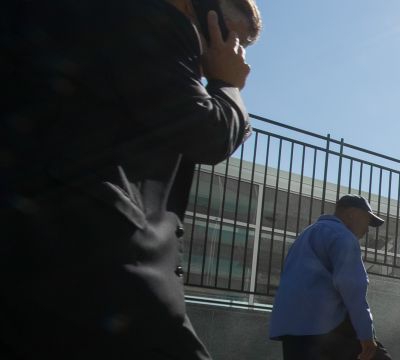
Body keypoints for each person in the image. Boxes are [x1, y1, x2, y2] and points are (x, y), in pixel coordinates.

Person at [2, 0, 260, 357]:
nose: (237, 55)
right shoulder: (159, 22)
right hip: (96, 257)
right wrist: (228, 87)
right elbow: (207, 133)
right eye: (233, 38)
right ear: (195, 7)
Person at [269, 195, 385, 360]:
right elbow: (352, 290)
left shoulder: (304, 236)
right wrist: (366, 336)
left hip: (290, 330)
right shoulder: (343, 237)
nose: (367, 229)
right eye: (367, 221)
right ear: (352, 214)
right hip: (324, 327)